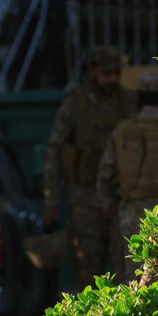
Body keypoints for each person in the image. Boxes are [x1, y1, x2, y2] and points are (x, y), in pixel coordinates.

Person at [43, 46, 136, 289]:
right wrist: (51, 201)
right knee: (88, 275)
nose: (113, 79)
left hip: (120, 201)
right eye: (106, 73)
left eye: (116, 73)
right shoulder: (75, 103)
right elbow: (55, 150)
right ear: (93, 71)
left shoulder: (128, 102)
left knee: (127, 271)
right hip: (84, 201)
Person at [95, 71, 158, 282]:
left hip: (127, 215)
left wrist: (112, 209)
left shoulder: (122, 130)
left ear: (138, 97)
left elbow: (104, 176)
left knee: (132, 278)